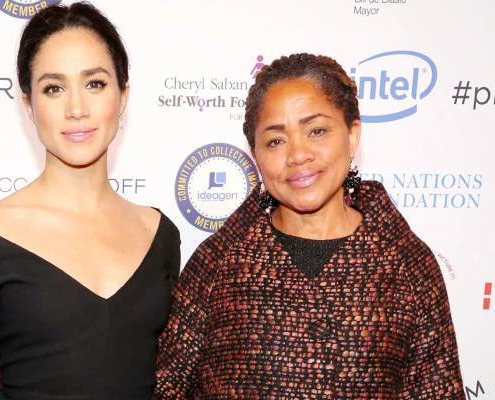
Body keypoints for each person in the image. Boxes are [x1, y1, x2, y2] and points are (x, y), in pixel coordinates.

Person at [155, 53, 465, 399]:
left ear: (352, 135)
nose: (298, 154)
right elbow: (168, 388)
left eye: (316, 131)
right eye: (276, 140)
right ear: (256, 154)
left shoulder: (407, 264)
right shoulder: (217, 263)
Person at [0, 3, 180, 399]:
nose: (76, 109)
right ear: (29, 106)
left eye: (95, 84)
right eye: (54, 88)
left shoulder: (159, 234)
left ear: (123, 96)